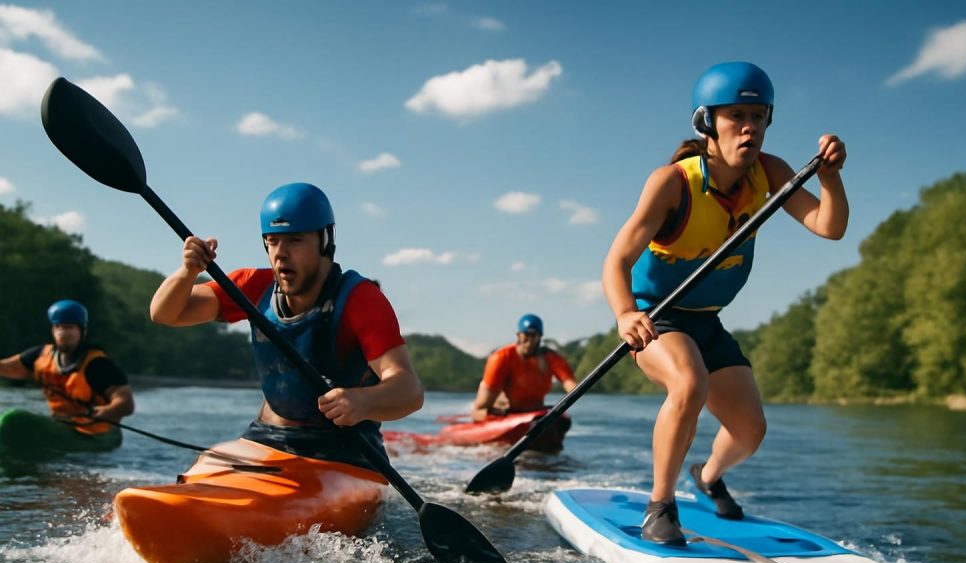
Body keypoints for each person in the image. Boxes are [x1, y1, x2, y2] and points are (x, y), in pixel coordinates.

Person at [602, 62, 848, 544]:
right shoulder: (672, 182)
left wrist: (832, 179)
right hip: (658, 318)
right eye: (737, 115)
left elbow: (829, 227)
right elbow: (617, 259)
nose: (750, 126)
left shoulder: (770, 173)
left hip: (707, 322)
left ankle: (708, 476)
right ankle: (660, 505)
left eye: (758, 115)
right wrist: (624, 313)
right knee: (688, 384)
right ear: (706, 122)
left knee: (750, 430)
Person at [149, 182, 423, 466]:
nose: (280, 252)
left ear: (325, 240)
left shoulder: (360, 298)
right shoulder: (253, 287)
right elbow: (166, 313)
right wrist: (187, 272)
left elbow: (409, 389)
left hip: (346, 451)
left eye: (294, 240)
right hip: (267, 439)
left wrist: (363, 401)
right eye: (272, 240)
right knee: (202, 467)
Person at [0, 299, 134, 453]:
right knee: (8, 421)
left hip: (97, 434)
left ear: (82, 330)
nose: (64, 333)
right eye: (59, 327)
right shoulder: (40, 357)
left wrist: (106, 411)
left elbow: (125, 403)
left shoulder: (98, 365)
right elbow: (5, 368)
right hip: (62, 427)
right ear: (53, 330)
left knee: (14, 420)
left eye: (70, 327)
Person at [471, 314, 578, 422]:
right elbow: (480, 408)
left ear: (539, 337)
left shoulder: (551, 358)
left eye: (534, 336)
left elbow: (569, 383)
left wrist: (575, 390)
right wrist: (489, 415)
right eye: (526, 335)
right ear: (518, 335)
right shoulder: (501, 357)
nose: (529, 341)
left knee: (563, 421)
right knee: (482, 407)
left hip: (534, 414)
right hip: (504, 413)